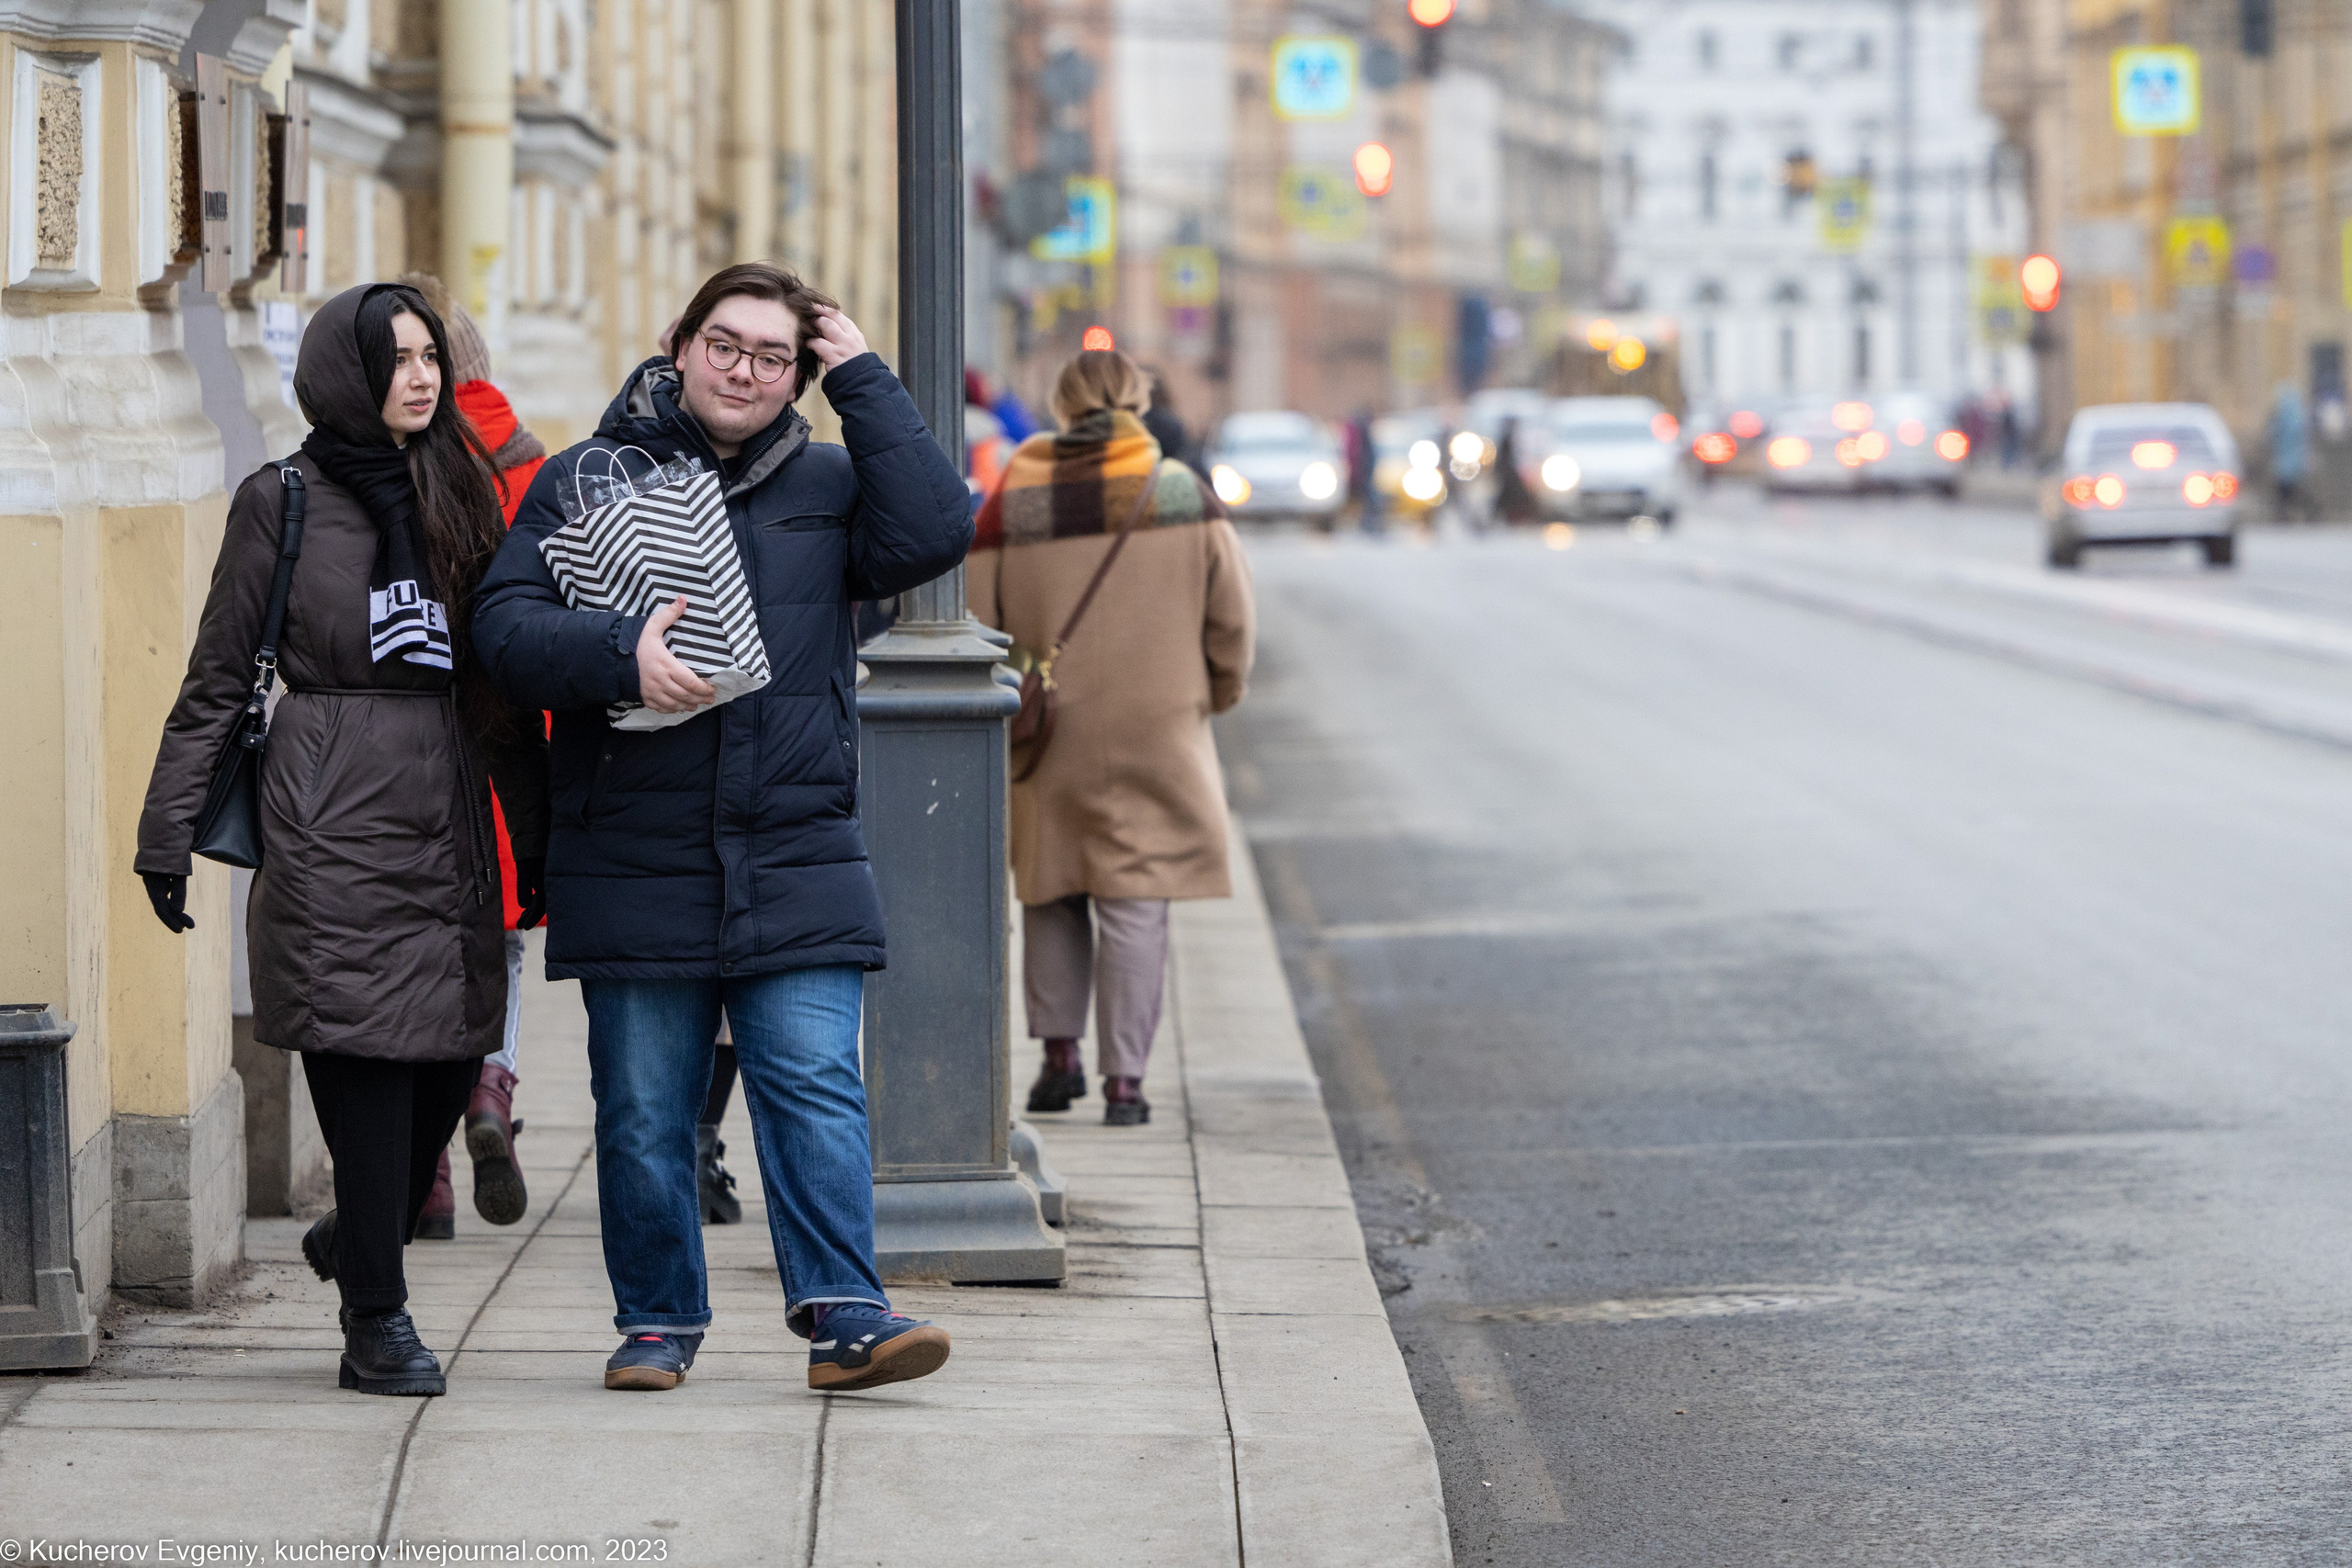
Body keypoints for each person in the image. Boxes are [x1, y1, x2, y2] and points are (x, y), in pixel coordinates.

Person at [472, 263, 969, 1393]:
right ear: (678, 343)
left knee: (813, 1083)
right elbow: (502, 629)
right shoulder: (580, 482)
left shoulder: (839, 489)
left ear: (800, 374)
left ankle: (847, 1313)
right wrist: (618, 654)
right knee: (644, 1108)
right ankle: (656, 1322)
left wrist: (865, 377)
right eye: (726, 344)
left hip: (794, 843)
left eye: (775, 356)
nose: (745, 370)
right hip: (634, 845)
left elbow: (940, 527)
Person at [134, 281, 548, 1397]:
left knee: (452, 1055)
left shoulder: (464, 487)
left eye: (429, 358)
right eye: (396, 359)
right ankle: (377, 1318)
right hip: (328, 817)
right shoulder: (286, 501)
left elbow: (504, 678)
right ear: (340, 373)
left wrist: (541, 832)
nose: (421, 377)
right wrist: (167, 833)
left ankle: (353, 1241)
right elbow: (219, 676)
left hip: (450, 812)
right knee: (364, 1063)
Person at [967, 349, 1255, 1126]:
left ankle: (1059, 1057)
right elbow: (1231, 617)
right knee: (1135, 899)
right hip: (1157, 724)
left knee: (1053, 886)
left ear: (1061, 405)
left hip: (1050, 722)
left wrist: (1024, 675)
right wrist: (1215, 692)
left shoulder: (1013, 496)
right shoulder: (1180, 491)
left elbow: (977, 614)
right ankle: (1125, 1083)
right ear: (1137, 401)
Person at [397, 272, 547, 1238]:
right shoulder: (533, 460)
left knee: (407, 957)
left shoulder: (389, 464)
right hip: (513, 747)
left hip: (406, 745)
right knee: (500, 944)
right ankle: (490, 1086)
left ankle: (427, 1178)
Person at [2269, 381, 2310, 522]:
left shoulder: (2287, 415)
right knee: (2289, 490)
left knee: (2286, 490)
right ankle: (2288, 512)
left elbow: (2275, 434)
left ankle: (2286, 513)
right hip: (2291, 461)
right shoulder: (2297, 415)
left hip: (2287, 461)